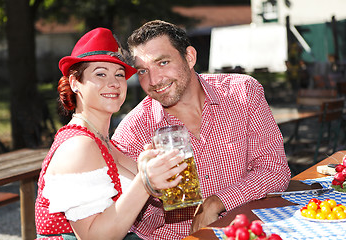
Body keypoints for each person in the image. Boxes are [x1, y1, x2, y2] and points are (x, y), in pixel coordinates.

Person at [112, 20, 291, 239]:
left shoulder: (243, 93)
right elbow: (133, 225)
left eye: (163, 62)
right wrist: (152, 189)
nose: (154, 80)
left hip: (246, 231)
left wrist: (217, 202)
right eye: (142, 71)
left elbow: (275, 170)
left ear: (190, 57)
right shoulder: (134, 130)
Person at [34, 27, 187, 240]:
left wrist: (156, 172)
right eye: (100, 74)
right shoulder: (78, 146)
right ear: (75, 82)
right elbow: (93, 237)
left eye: (119, 74)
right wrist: (145, 182)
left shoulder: (103, 141)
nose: (114, 83)